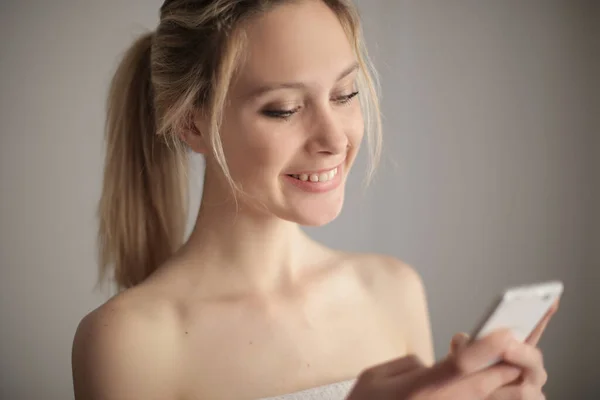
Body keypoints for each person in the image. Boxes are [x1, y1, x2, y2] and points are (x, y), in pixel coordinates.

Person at [71, 1, 559, 399]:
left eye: (345, 95)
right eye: (283, 108)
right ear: (191, 124)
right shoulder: (127, 343)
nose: (334, 138)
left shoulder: (392, 290)